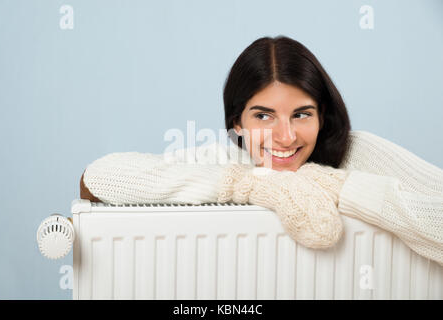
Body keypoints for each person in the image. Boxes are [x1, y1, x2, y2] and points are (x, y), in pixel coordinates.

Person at [80, 36, 443, 265]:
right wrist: (249, 185)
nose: (284, 137)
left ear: (322, 117)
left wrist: (336, 185)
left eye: (301, 114)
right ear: (237, 123)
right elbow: (96, 179)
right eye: (264, 115)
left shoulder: (361, 152)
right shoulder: (231, 162)